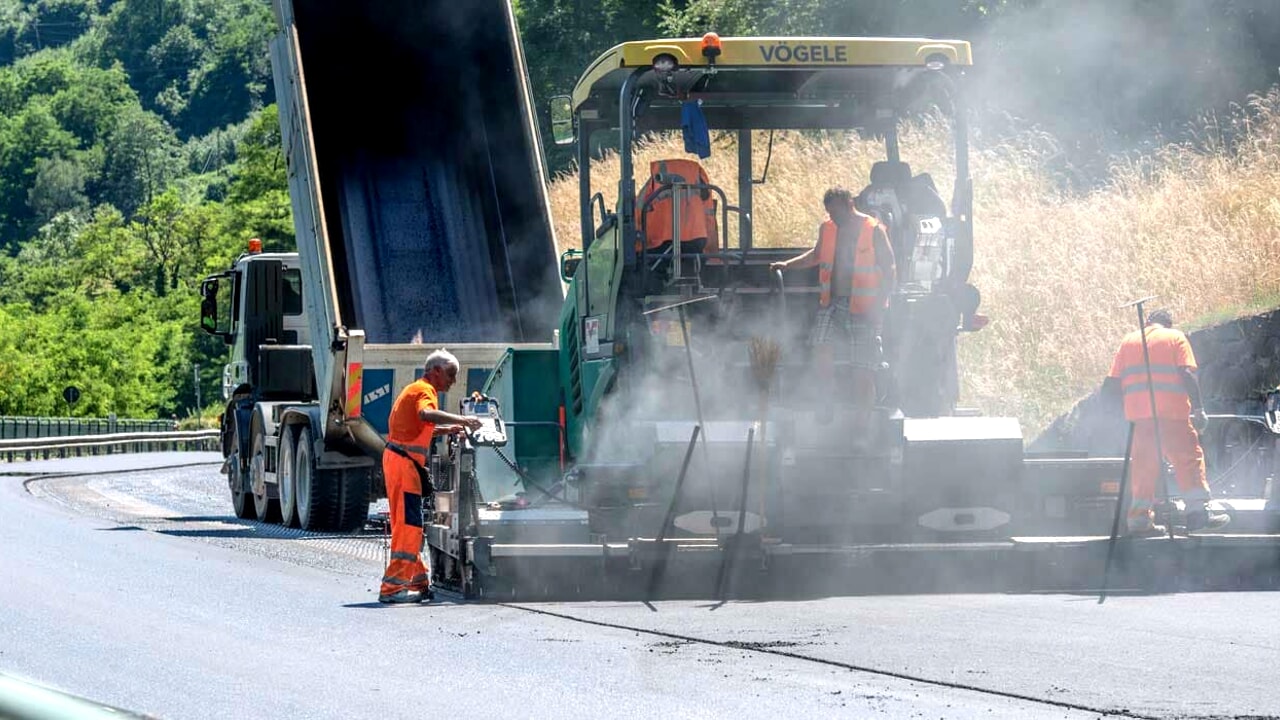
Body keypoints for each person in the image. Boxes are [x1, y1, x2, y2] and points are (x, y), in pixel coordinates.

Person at [771, 187, 896, 425]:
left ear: (850, 205)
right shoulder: (827, 228)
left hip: (865, 309)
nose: (833, 217)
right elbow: (815, 255)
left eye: (836, 212)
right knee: (820, 346)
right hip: (832, 305)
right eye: (829, 212)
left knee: (863, 371)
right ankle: (825, 402)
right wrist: (786, 264)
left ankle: (862, 428)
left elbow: (889, 268)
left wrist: (881, 305)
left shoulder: (874, 230)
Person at [1103, 309, 1229, 535]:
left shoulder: (1129, 341)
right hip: (1172, 417)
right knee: (1188, 461)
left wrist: (1115, 419)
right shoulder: (1175, 337)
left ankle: (1139, 522)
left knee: (1143, 470)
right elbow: (1187, 375)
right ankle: (1197, 515)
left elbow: (1111, 385)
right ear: (1168, 324)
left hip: (1140, 422)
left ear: (1149, 322)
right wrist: (1199, 409)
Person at [379, 349, 482, 604]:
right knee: (409, 527)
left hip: (401, 463)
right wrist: (464, 420)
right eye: (450, 374)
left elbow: (421, 426)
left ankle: (417, 583)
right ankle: (392, 590)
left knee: (409, 525)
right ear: (434, 371)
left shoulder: (415, 389)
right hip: (404, 466)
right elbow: (426, 415)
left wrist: (449, 429)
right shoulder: (425, 391)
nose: (453, 381)